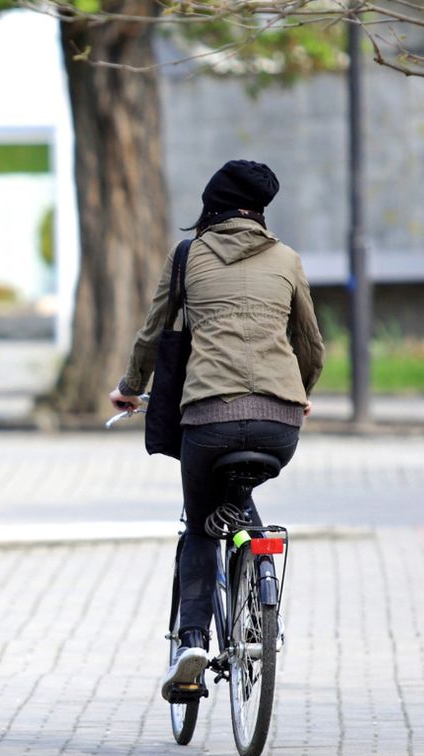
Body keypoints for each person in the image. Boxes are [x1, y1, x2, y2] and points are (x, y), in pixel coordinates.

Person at [108, 159, 324, 700]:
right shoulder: (287, 259)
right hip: (280, 426)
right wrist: (301, 394)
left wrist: (131, 386)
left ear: (211, 205)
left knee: (202, 528)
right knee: (235, 504)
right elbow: (311, 346)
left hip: (209, 420)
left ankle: (191, 643)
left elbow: (153, 333)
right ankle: (254, 564)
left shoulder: (188, 257)